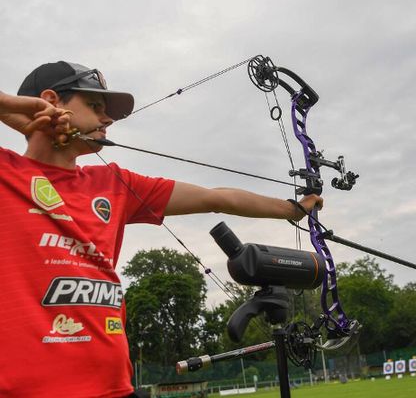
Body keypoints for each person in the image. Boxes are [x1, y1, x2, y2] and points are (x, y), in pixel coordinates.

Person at [0, 61, 323, 397]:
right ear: (51, 101)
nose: (107, 119)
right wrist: (11, 107)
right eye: (95, 106)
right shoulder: (6, 171)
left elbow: (216, 198)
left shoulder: (114, 184)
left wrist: (292, 209)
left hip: (114, 387)